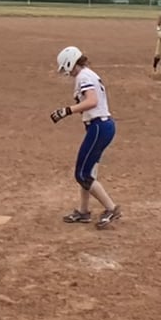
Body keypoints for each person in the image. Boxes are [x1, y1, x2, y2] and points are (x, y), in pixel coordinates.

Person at [51, 46, 122, 226]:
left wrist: (67, 111)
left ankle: (111, 208)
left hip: (99, 126)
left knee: (82, 174)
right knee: (87, 171)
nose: (67, 72)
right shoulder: (88, 74)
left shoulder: (83, 77)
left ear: (70, 63)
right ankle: (83, 212)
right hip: (101, 126)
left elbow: (92, 101)